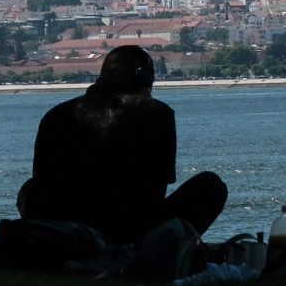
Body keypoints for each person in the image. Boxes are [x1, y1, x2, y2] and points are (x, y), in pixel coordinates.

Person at [16, 45, 228, 244]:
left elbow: (40, 182)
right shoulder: (156, 113)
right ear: (143, 77)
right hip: (132, 232)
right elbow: (157, 189)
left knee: (29, 189)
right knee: (211, 185)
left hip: (66, 231)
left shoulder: (56, 116)